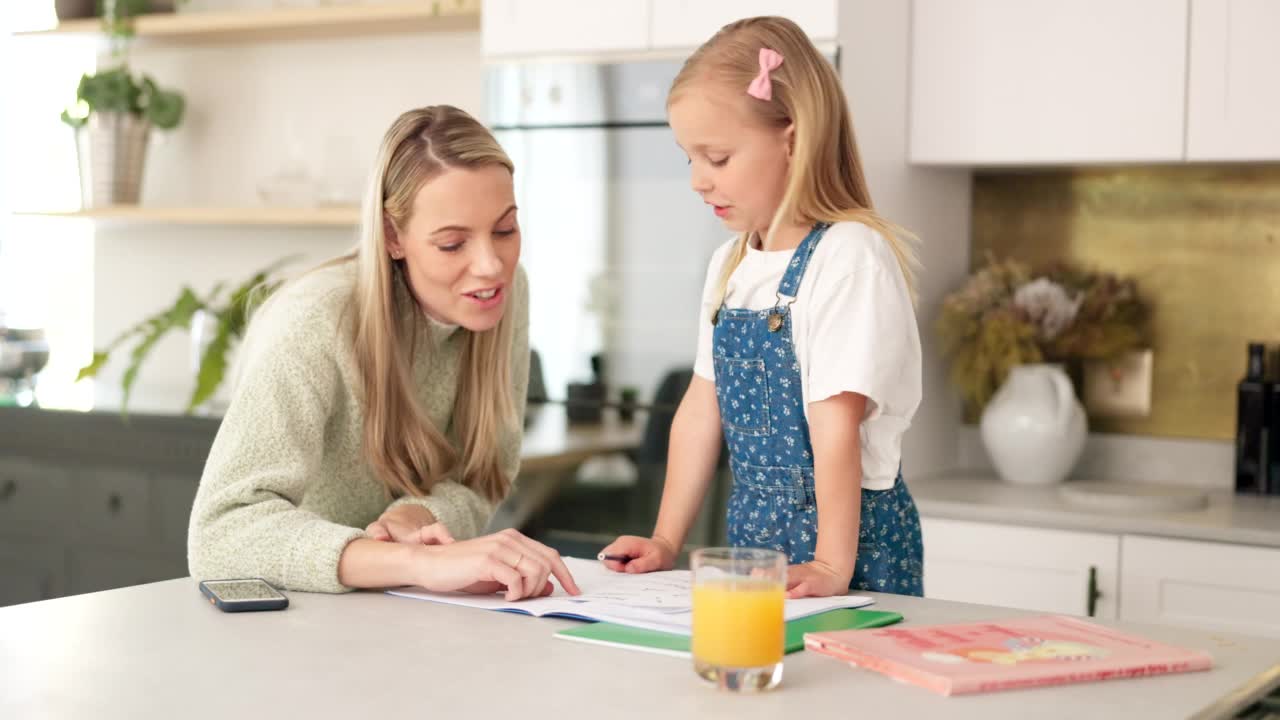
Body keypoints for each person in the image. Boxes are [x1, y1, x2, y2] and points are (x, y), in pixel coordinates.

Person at [188, 105, 579, 601]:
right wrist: (416, 562)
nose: (490, 266)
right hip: (294, 620)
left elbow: (484, 476)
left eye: (505, 231)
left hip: (400, 614)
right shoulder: (315, 320)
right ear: (394, 237)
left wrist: (417, 516)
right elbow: (220, 533)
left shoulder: (507, 292)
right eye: (453, 243)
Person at [600, 17, 924, 598]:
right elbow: (702, 409)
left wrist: (831, 564)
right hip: (754, 542)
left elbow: (836, 426)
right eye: (689, 159)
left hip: (852, 545)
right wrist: (666, 540)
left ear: (792, 139)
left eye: (717, 158)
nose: (699, 181)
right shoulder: (732, 264)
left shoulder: (849, 255)